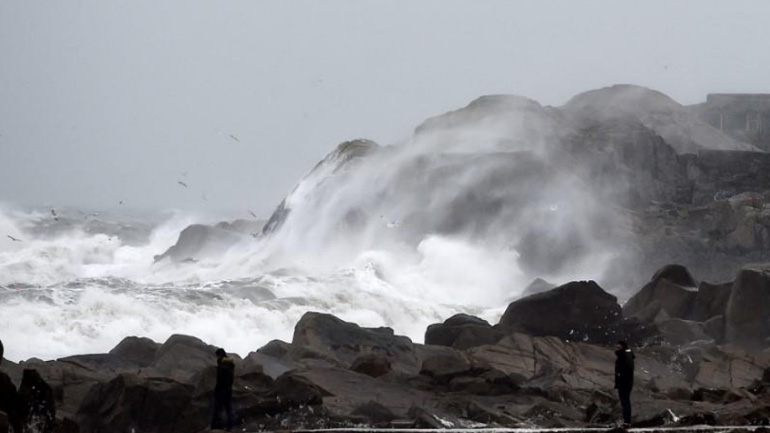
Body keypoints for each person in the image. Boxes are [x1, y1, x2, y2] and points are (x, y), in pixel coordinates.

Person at [211, 348, 235, 431]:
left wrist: (217, 390)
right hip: (228, 390)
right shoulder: (230, 365)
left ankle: (215, 426)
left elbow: (220, 380)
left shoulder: (222, 366)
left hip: (221, 390)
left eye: (217, 356)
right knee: (228, 408)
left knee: (217, 408)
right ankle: (230, 426)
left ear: (219, 355)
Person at [614, 340, 635, 427]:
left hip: (624, 383)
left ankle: (627, 421)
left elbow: (627, 370)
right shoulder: (626, 356)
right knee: (625, 402)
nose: (616, 349)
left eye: (618, 347)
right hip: (624, 383)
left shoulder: (624, 356)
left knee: (625, 402)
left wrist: (621, 379)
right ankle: (626, 421)